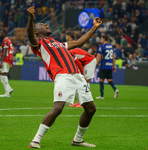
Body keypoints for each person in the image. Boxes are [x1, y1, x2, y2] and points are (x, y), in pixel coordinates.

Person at [26, 6, 102, 149]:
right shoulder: (39, 44)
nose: (46, 25)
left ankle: (78, 140)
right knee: (58, 108)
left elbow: (79, 42)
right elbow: (30, 35)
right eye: (43, 25)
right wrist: (31, 18)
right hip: (63, 76)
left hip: (78, 77)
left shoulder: (59, 44)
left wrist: (94, 28)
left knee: (91, 109)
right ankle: (35, 140)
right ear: (37, 31)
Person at [65, 33, 97, 108]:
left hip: (90, 61)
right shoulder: (71, 50)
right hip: (86, 62)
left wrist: (81, 73)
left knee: (85, 82)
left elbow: (78, 63)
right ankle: (78, 102)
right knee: (80, 82)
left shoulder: (70, 52)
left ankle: (84, 102)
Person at [96, 35, 119, 100]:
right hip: (110, 66)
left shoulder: (102, 47)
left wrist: (95, 64)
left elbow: (99, 57)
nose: (101, 40)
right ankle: (115, 89)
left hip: (103, 66)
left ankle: (102, 95)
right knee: (109, 80)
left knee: (101, 80)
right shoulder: (111, 47)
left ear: (103, 39)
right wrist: (113, 65)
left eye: (101, 38)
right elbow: (113, 57)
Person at [0, 29, 14, 97]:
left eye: (0, 32)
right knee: (0, 75)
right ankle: (9, 89)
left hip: (6, 60)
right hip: (8, 59)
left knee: (3, 75)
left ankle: (7, 93)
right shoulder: (7, 41)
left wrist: (1, 62)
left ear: (4, 34)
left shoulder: (6, 41)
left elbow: (5, 51)